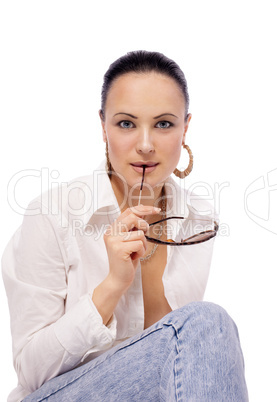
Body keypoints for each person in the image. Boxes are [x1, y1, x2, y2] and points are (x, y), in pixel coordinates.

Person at [2, 50, 248, 401]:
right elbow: (31, 372)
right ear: (103, 126)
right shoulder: (52, 215)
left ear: (185, 128)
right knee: (208, 321)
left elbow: (176, 366)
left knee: (206, 327)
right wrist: (113, 285)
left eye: (164, 124)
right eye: (126, 124)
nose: (145, 145)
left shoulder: (198, 220)